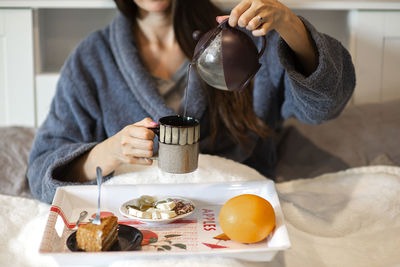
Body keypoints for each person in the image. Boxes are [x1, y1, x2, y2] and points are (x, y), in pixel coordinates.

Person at [27, 0, 355, 203]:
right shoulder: (92, 58)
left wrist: (290, 24)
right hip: (141, 214)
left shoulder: (243, 39)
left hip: (234, 207)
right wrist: (108, 152)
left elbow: (327, 103)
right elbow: (42, 167)